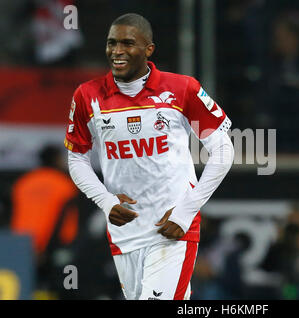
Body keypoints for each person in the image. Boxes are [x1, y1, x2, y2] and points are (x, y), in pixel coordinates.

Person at [64, 13, 234, 300]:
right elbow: (77, 159)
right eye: (111, 43)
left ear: (149, 49)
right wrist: (105, 201)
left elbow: (223, 149)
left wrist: (186, 211)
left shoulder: (182, 89)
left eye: (127, 43)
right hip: (124, 234)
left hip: (173, 229)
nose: (117, 51)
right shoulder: (87, 95)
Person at [10, 144, 80, 297]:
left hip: (21, 247)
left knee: (23, 289)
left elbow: (12, 215)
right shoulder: (64, 185)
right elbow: (68, 223)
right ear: (56, 159)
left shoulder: (23, 182)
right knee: (62, 288)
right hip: (52, 249)